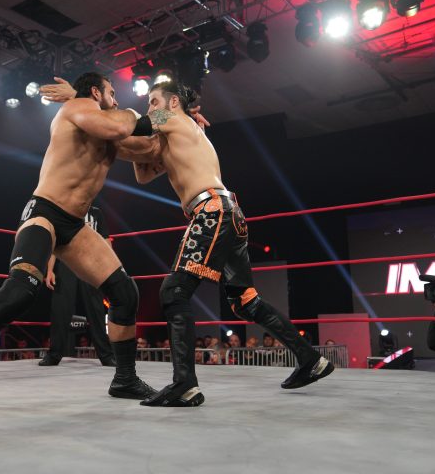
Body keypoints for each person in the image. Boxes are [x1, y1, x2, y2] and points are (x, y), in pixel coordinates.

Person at [40, 79, 333, 406]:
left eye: (154, 101)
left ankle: (185, 385)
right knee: (245, 301)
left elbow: (128, 126)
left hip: (211, 212)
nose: (150, 107)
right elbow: (142, 172)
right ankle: (311, 359)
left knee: (174, 291)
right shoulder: (177, 134)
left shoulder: (172, 118)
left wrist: (81, 101)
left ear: (173, 102)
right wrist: (106, 134)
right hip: (230, 214)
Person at [0, 72, 161, 404]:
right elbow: (122, 126)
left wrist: (179, 123)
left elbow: (147, 149)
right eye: (112, 91)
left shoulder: (107, 129)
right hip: (45, 213)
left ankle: (125, 378)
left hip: (75, 225)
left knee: (125, 293)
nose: (117, 98)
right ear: (96, 93)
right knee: (20, 292)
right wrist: (142, 116)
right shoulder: (78, 109)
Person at [39, 204, 115, 367]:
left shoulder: (96, 213)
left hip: (91, 263)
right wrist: (50, 270)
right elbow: (56, 243)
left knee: (96, 308)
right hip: (67, 262)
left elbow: (106, 240)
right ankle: (54, 354)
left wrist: (110, 267)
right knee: (60, 307)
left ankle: (106, 355)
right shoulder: (66, 211)